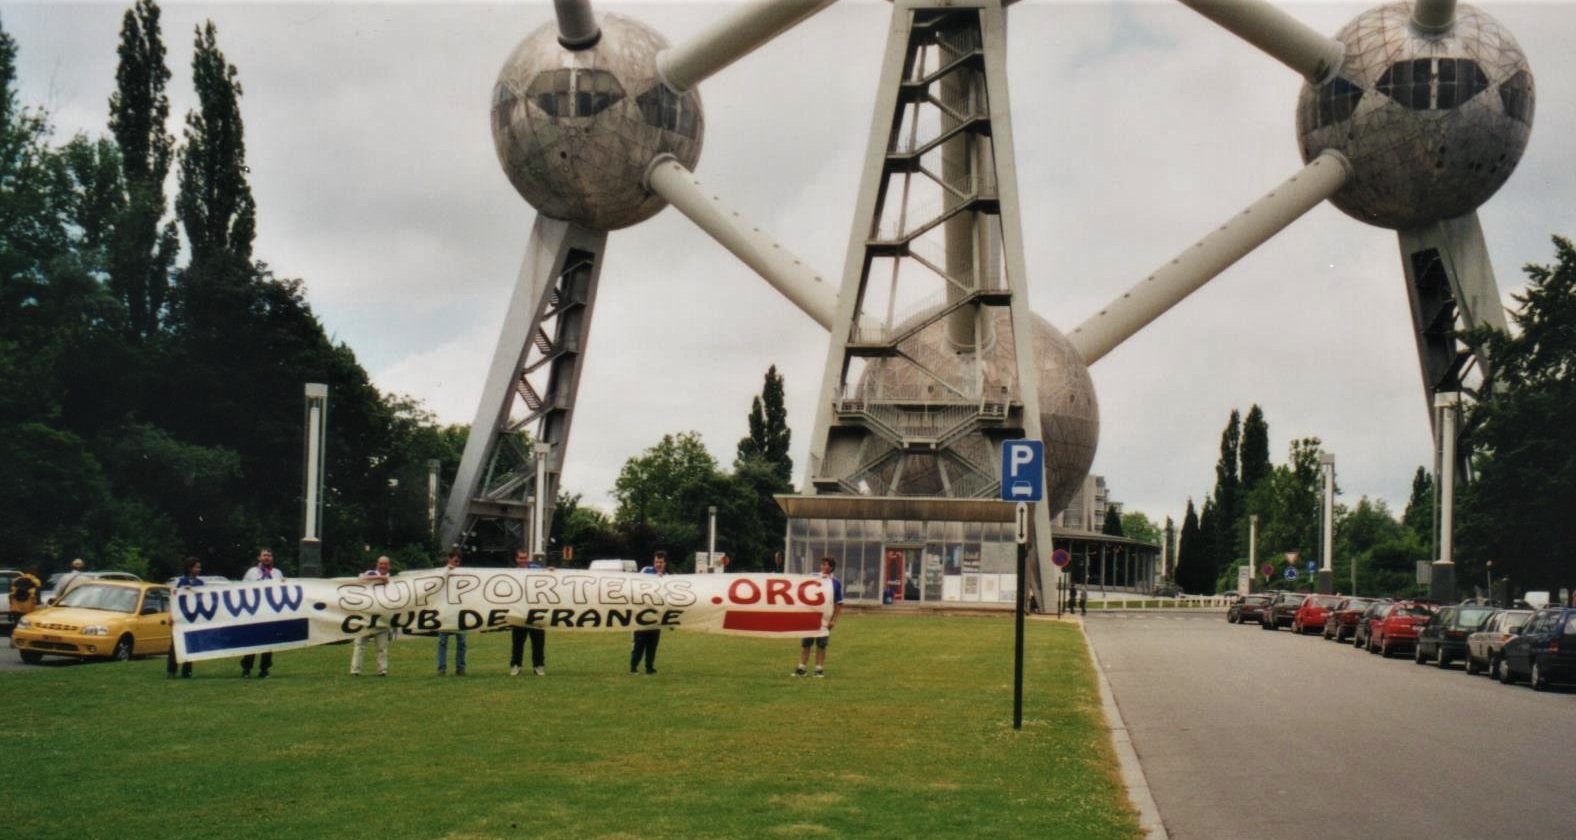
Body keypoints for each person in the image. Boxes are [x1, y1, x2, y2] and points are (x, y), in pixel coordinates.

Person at [794, 555, 844, 678]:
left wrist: (834, 620)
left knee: (821, 645)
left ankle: (819, 669)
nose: (823, 566)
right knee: (806, 643)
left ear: (831, 567)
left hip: (825, 618)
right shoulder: (812, 577)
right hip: (811, 617)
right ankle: (802, 668)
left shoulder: (835, 583)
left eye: (826, 564)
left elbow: (839, 603)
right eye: (822, 564)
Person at [240, 548, 282, 678]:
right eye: (264, 555)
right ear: (259, 558)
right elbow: (242, 589)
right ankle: (247, 668)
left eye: (269, 555)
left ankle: (264, 669)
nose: (267, 557)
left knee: (268, 642)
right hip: (255, 611)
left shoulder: (277, 573)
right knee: (252, 640)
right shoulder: (252, 572)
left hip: (270, 611)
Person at [351, 556, 395, 677]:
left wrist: (384, 579)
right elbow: (361, 578)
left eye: (385, 564)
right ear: (377, 564)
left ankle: (382, 670)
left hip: (381, 616)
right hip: (366, 616)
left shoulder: (393, 578)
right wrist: (380, 578)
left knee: (382, 647)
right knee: (359, 645)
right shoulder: (371, 573)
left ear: (389, 565)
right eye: (381, 564)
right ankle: (355, 670)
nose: (383, 566)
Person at [509, 549, 547, 676]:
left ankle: (538, 665)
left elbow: (547, 573)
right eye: (521, 558)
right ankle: (516, 665)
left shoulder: (535, 569)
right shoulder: (511, 573)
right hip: (519, 612)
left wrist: (551, 571)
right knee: (518, 642)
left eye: (525, 558)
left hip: (536, 611)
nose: (523, 561)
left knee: (538, 642)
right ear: (516, 559)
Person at [629, 550, 667, 674]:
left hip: (656, 616)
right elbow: (638, 583)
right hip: (641, 614)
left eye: (661, 562)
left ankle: (649, 667)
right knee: (639, 643)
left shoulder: (668, 577)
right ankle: (633, 667)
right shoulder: (646, 571)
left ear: (664, 563)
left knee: (652, 644)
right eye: (656, 562)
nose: (658, 564)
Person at [167, 558, 205, 679]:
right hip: (180, 618)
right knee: (175, 645)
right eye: (197, 567)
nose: (199, 569)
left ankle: (187, 671)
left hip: (192, 619)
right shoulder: (180, 581)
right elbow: (173, 598)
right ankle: (171, 670)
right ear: (190, 568)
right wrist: (171, 615)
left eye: (199, 567)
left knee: (190, 644)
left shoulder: (200, 583)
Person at [436, 548, 467, 676]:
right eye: (455, 561)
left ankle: (460, 667)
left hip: (459, 611)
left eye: (458, 562)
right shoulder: (442, 572)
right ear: (449, 559)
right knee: (443, 641)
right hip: (445, 611)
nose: (456, 564)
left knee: (462, 642)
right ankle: (441, 668)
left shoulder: (463, 573)